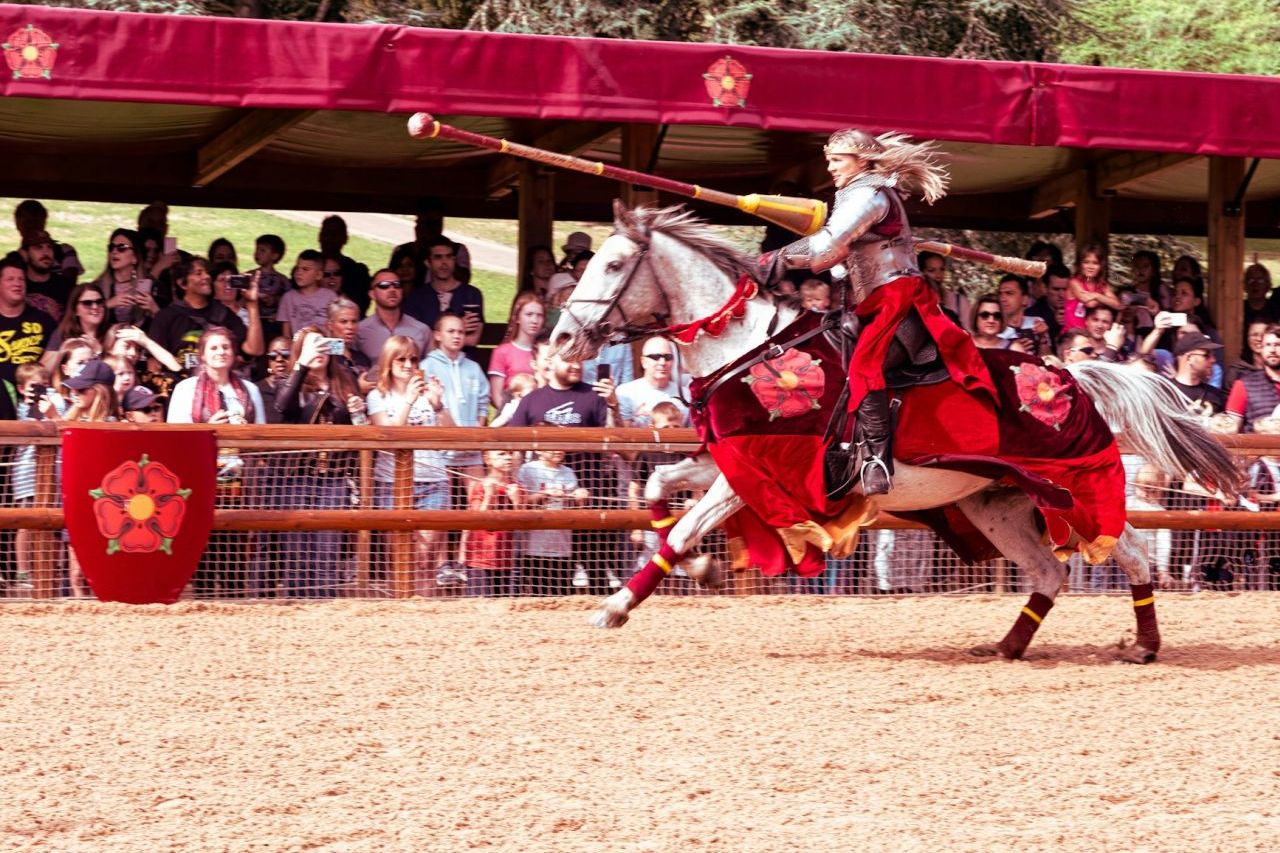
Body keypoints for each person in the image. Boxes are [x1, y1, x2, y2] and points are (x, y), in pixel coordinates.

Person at [767, 128, 992, 495]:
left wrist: (777, 257)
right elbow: (840, 257)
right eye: (829, 160)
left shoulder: (868, 194)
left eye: (837, 160)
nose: (831, 168)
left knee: (863, 365)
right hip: (873, 299)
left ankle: (876, 460)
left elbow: (828, 246)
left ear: (862, 160)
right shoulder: (859, 193)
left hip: (895, 299)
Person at [273, 326, 365, 597]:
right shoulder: (290, 383)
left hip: (334, 479)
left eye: (322, 345)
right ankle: (296, 606)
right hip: (297, 479)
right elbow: (282, 408)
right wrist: (301, 364)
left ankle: (326, 609)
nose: (318, 351)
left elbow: (360, 431)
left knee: (328, 549)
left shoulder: (346, 381)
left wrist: (357, 413)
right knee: (297, 552)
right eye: (311, 345)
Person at [367, 334, 454, 593]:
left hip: (433, 482)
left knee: (426, 557)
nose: (408, 365)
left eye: (413, 359)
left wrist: (438, 406)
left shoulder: (429, 394)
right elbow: (389, 438)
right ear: (388, 363)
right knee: (400, 559)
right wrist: (408, 401)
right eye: (401, 359)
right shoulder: (377, 396)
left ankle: (424, 612)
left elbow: (453, 437)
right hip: (392, 483)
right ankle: (400, 612)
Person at [150, 258, 264, 374]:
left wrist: (252, 304)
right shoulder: (166, 317)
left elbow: (254, 350)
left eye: (206, 273)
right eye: (199, 273)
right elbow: (154, 364)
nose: (207, 276)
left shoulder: (223, 314)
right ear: (182, 283)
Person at [516, 449, 589, 596]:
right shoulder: (528, 469)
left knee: (562, 593)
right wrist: (544, 495)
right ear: (538, 450)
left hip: (562, 545)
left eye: (562, 446)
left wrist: (580, 497)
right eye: (553, 446)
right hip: (533, 547)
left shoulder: (568, 472)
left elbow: (575, 507)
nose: (559, 450)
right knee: (535, 594)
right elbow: (521, 502)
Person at [460, 449, 523, 597]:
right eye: (501, 454)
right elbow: (477, 520)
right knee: (480, 604)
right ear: (488, 459)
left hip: (507, 559)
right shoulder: (480, 486)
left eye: (510, 453)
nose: (508, 458)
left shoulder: (516, 487)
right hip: (479, 559)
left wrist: (516, 501)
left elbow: (521, 524)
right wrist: (489, 496)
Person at [402, 237, 485, 350]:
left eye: (449, 257)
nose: (444, 263)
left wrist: (434, 336)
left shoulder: (472, 294)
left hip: (464, 363)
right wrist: (459, 327)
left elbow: (472, 340)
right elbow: (415, 339)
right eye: (438, 257)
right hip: (429, 364)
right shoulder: (416, 296)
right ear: (428, 263)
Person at [0, 256, 55, 386]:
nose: (17, 284)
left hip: (34, 397)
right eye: (10, 279)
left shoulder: (44, 321)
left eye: (21, 279)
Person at [356, 269, 430, 364]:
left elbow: (429, 368)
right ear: (372, 294)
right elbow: (340, 360)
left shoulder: (422, 330)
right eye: (384, 285)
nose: (392, 289)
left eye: (397, 285)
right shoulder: (358, 330)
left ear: (402, 291)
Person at [614, 336, 689, 427]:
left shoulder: (686, 395)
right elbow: (621, 434)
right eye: (655, 357)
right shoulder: (625, 393)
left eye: (668, 357)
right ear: (643, 362)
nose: (662, 362)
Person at [487, 292, 545, 408]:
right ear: (517, 318)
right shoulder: (502, 352)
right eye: (529, 314)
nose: (535, 320)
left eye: (539, 315)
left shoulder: (545, 351)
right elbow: (496, 395)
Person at [1226, 324, 1280, 433]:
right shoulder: (1243, 385)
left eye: (1278, 344)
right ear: (1262, 349)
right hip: (1261, 448)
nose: (1272, 350)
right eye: (1268, 345)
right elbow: (1230, 432)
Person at [278, 249, 335, 340]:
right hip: (297, 349)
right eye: (297, 268)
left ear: (319, 275)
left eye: (305, 269)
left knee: (341, 347)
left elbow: (336, 331)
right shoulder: (288, 298)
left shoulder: (330, 296)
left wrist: (335, 350)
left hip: (325, 347)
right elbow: (286, 335)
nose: (299, 273)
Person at [17, 230, 73, 322]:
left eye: (50, 247)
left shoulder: (65, 286)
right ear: (25, 254)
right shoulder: (18, 285)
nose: (46, 252)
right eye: (38, 247)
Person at [1064, 242, 1120, 331]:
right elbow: (1090, 303)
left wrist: (1096, 295)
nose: (1090, 267)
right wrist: (1104, 299)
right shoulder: (1074, 282)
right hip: (1072, 334)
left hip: (1090, 336)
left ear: (1101, 266)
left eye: (1095, 263)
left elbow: (1117, 305)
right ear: (1080, 264)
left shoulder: (1102, 285)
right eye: (1086, 262)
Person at [1170, 333, 1225, 417]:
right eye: (1206, 355)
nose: (1213, 360)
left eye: (1213, 355)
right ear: (1189, 358)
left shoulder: (1215, 395)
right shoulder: (1165, 392)